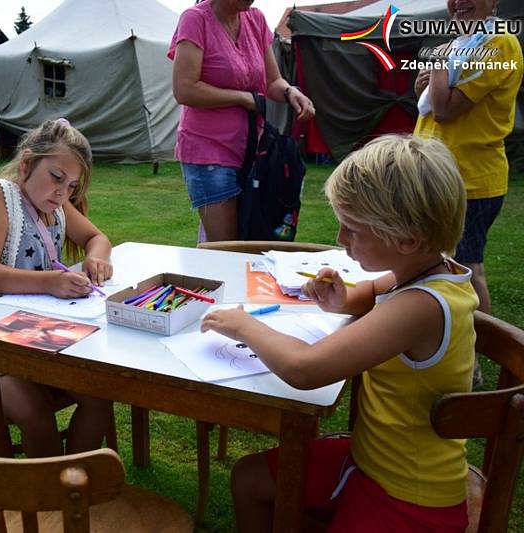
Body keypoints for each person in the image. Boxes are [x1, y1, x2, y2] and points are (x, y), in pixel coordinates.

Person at [201, 135, 478, 532]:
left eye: (352, 230)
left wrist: (245, 325)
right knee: (249, 478)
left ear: (407, 240)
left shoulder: (423, 306)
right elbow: (365, 296)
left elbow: (305, 369)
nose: (340, 241)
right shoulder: (426, 271)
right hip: (372, 461)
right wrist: (339, 298)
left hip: (410, 497)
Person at [0, 118, 114, 458]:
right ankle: (45, 498)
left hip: (42, 341)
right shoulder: (1, 197)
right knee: (35, 412)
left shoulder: (57, 205)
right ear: (27, 164)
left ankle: (76, 486)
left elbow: (96, 237)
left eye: (72, 186)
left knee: (100, 397)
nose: (62, 193)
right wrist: (50, 283)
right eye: (56, 177)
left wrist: (96, 257)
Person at [413, 0, 523, 385]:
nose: (458, 2)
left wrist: (439, 65)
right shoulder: (466, 41)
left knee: (467, 267)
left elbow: (445, 109)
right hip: (438, 172)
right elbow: (429, 98)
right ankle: (442, 342)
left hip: (470, 178)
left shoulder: (499, 45)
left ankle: (474, 357)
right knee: (437, 262)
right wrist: (425, 79)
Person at [168, 0, 315, 242]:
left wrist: (291, 93)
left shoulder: (255, 19)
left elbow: (272, 82)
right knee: (227, 248)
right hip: (209, 152)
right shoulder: (195, 20)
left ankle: (209, 277)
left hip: (252, 152)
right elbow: (184, 90)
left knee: (251, 237)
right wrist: (243, 98)